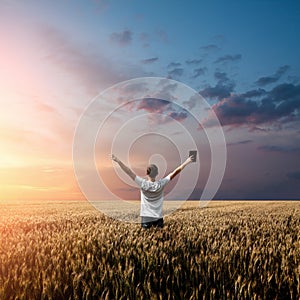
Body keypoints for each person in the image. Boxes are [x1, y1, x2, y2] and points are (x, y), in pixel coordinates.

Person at [111, 154, 194, 229]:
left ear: (146, 173)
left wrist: (118, 161)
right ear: (157, 173)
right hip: (158, 218)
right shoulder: (161, 183)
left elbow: (128, 171)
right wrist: (187, 162)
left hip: (146, 218)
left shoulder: (142, 183)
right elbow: (175, 172)